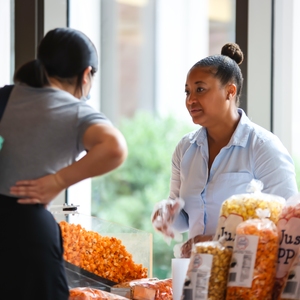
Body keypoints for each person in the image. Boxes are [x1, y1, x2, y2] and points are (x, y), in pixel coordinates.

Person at [0, 28, 127, 299]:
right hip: (29, 229)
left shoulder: (8, 96)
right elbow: (115, 148)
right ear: (85, 74)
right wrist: (57, 181)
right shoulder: (76, 110)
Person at [151, 42, 298, 258]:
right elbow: (183, 219)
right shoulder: (185, 149)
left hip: (246, 277)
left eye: (200, 89)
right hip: (197, 277)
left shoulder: (263, 147)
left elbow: (289, 225)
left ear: (230, 91)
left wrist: (217, 242)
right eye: (187, 91)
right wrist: (165, 215)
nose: (191, 100)